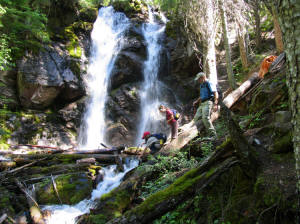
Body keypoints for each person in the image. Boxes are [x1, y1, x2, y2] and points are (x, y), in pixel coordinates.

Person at [193, 72, 218, 139]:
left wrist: (215, 103)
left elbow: (215, 92)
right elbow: (202, 96)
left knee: (205, 118)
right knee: (196, 118)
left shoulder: (209, 83)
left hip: (208, 102)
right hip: (202, 104)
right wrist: (196, 101)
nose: (198, 81)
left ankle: (213, 135)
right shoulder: (201, 85)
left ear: (203, 77)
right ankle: (201, 135)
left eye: (199, 79)